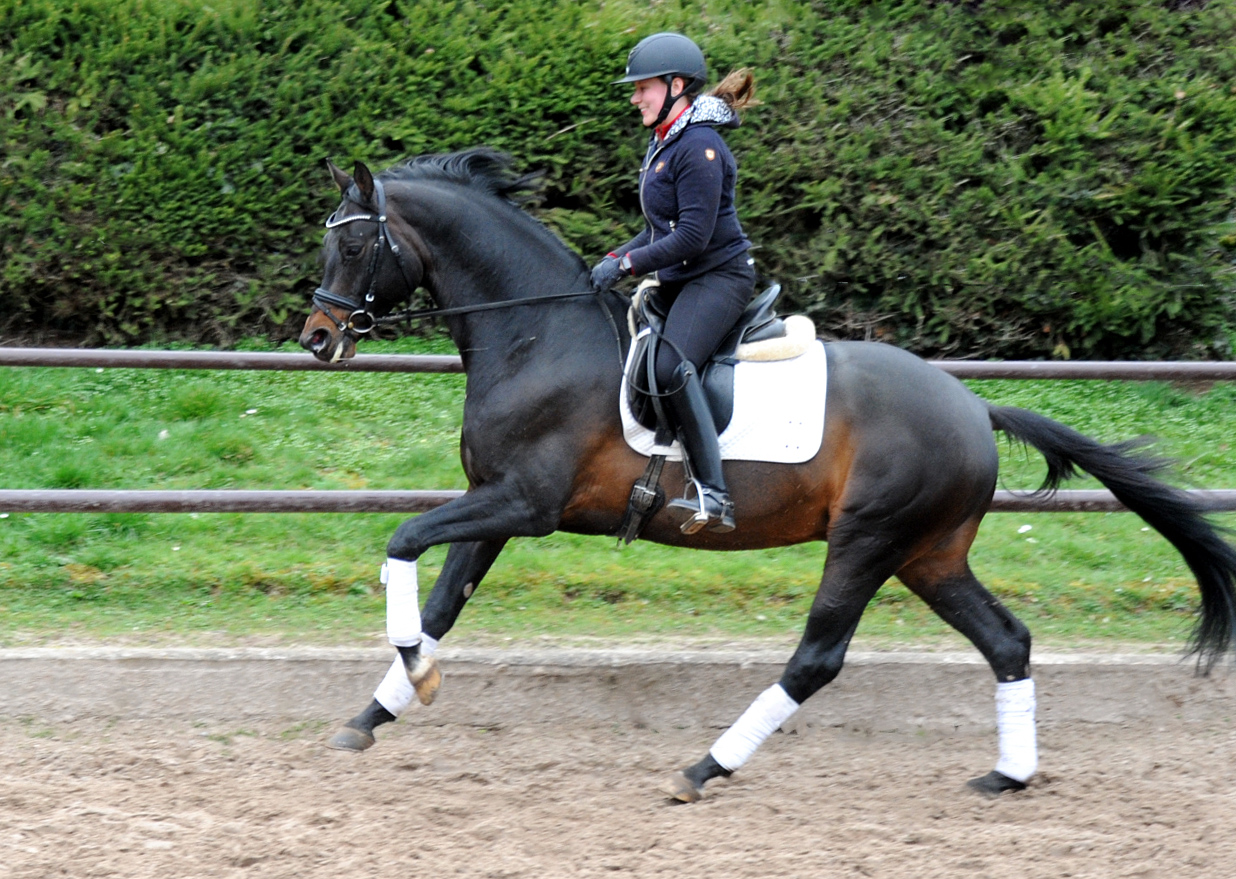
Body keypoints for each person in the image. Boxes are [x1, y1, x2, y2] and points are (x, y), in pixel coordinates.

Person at [591, 32, 758, 535]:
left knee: (668, 365)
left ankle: (715, 493)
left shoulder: (700, 146)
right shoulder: (666, 140)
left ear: (676, 85)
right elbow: (658, 228)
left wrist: (627, 268)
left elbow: (691, 236)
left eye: (642, 87)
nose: (635, 96)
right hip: (687, 276)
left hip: (720, 277)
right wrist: (616, 255)